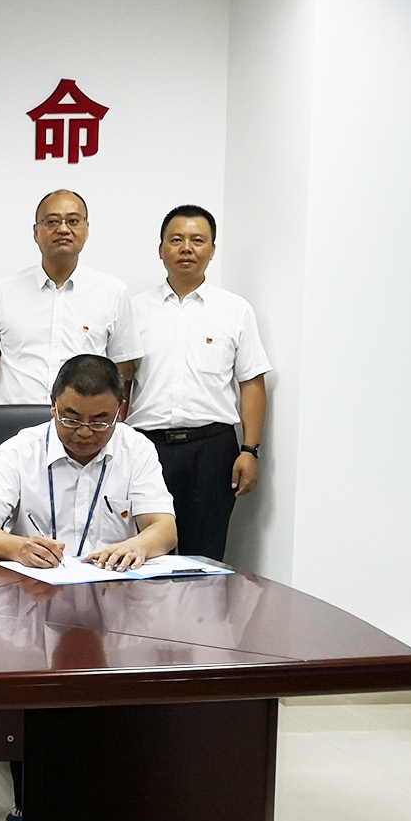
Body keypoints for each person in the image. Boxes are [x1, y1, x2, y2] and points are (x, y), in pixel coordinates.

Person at [0, 353, 177, 821]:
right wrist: (16, 546)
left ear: (120, 411)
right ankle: (29, 801)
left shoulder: (136, 449)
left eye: (100, 421)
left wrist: (137, 545)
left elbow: (164, 527)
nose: (84, 432)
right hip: (33, 601)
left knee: (138, 672)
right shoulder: (20, 450)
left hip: (114, 603)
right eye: (71, 417)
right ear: (53, 405)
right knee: (30, 672)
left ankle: (120, 799)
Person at [127, 204, 270, 562]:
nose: (186, 248)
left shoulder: (235, 310)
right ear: (161, 249)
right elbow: (121, 383)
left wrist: (250, 450)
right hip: (147, 448)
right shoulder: (133, 309)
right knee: (145, 554)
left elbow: (251, 382)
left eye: (197, 240)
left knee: (204, 558)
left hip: (212, 450)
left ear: (212, 250)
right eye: (176, 240)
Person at [0, 190, 140, 406]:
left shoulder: (113, 293)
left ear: (86, 229)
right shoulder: (1, 291)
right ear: (36, 232)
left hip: (81, 421)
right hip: (13, 417)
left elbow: (123, 368)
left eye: (73, 221)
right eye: (52, 221)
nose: (63, 229)